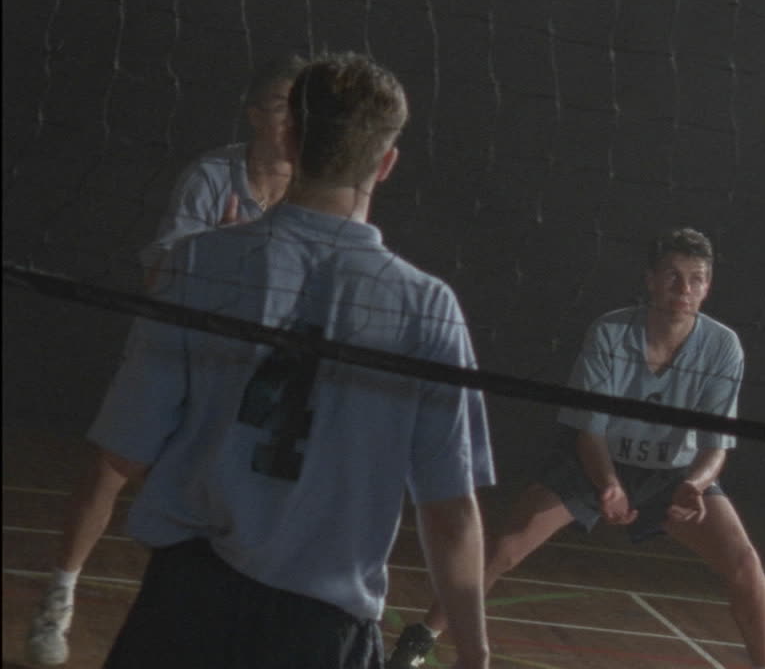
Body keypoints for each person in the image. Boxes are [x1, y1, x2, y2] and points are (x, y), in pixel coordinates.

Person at [84, 53, 493, 668]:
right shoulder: (427, 308)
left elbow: (123, 451)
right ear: (385, 164)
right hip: (321, 630)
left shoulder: (199, 264)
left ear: (292, 138)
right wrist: (475, 654)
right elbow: (452, 514)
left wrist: (225, 483)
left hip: (188, 605)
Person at [25, 55, 305, 666]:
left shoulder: (314, 187)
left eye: (303, 106)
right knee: (112, 467)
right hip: (169, 344)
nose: (294, 119)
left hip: (245, 363)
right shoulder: (212, 175)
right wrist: (221, 251)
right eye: (284, 103)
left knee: (220, 492)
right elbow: (159, 274)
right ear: (257, 113)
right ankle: (57, 601)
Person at [391, 227, 765, 669]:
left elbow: (716, 443)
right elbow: (588, 431)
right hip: (594, 462)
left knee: (746, 566)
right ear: (650, 279)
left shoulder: (723, 346)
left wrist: (695, 483)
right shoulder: (610, 332)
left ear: (708, 286)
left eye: (697, 278)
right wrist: (608, 484)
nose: (684, 288)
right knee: (506, 547)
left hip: (673, 474)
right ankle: (421, 637)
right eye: (672, 275)